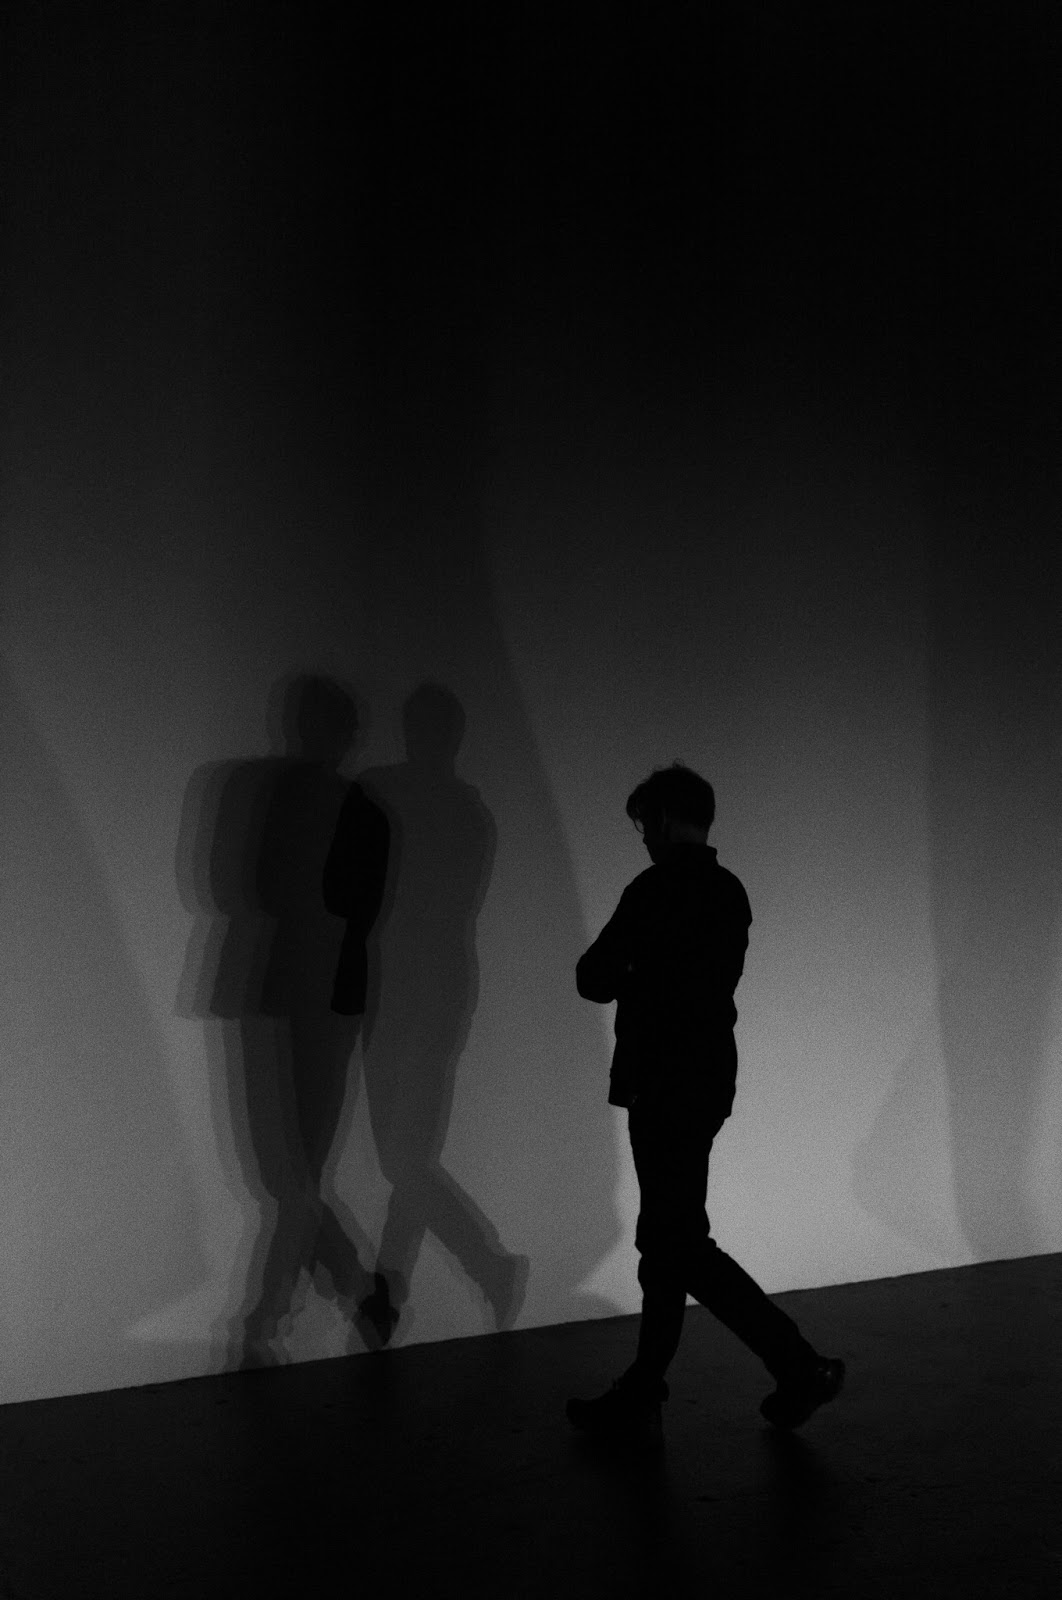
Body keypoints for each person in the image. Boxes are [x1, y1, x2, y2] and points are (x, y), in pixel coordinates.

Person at [567, 762, 844, 1435]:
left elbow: (592, 978)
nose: (644, 840)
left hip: (658, 1083)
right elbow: (696, 983)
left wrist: (637, 967)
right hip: (708, 1079)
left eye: (643, 828)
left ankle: (798, 1364)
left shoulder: (652, 889)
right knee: (667, 1239)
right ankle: (646, 1388)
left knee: (677, 1243)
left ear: (661, 820)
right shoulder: (728, 891)